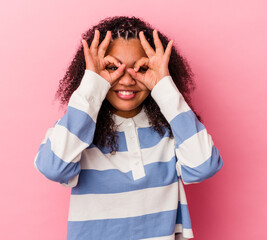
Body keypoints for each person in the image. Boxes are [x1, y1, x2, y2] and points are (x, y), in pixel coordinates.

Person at [34, 16, 223, 240]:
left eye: (140, 68)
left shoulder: (172, 128)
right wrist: (92, 86)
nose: (126, 80)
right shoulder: (77, 131)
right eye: (112, 67)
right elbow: (54, 168)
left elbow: (204, 166)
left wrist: (165, 88)